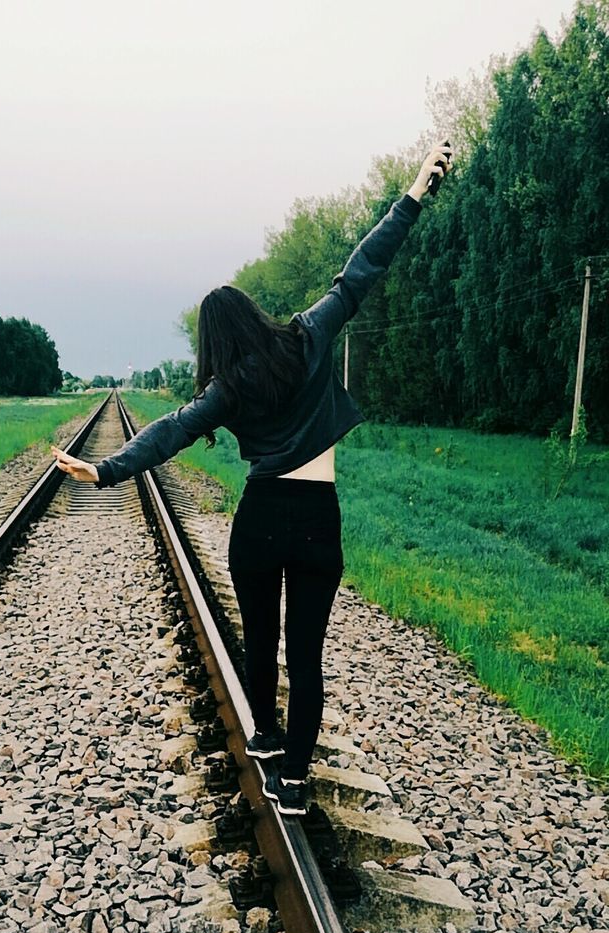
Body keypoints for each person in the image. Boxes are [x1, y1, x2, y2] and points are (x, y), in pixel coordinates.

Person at [53, 142, 453, 817]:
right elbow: (362, 270)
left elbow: (172, 428)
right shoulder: (309, 336)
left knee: (260, 639)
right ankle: (294, 780)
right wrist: (413, 194)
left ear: (216, 340)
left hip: (262, 518)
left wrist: (107, 470)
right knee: (307, 655)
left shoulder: (225, 389)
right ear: (253, 314)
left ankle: (264, 736)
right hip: (317, 516)